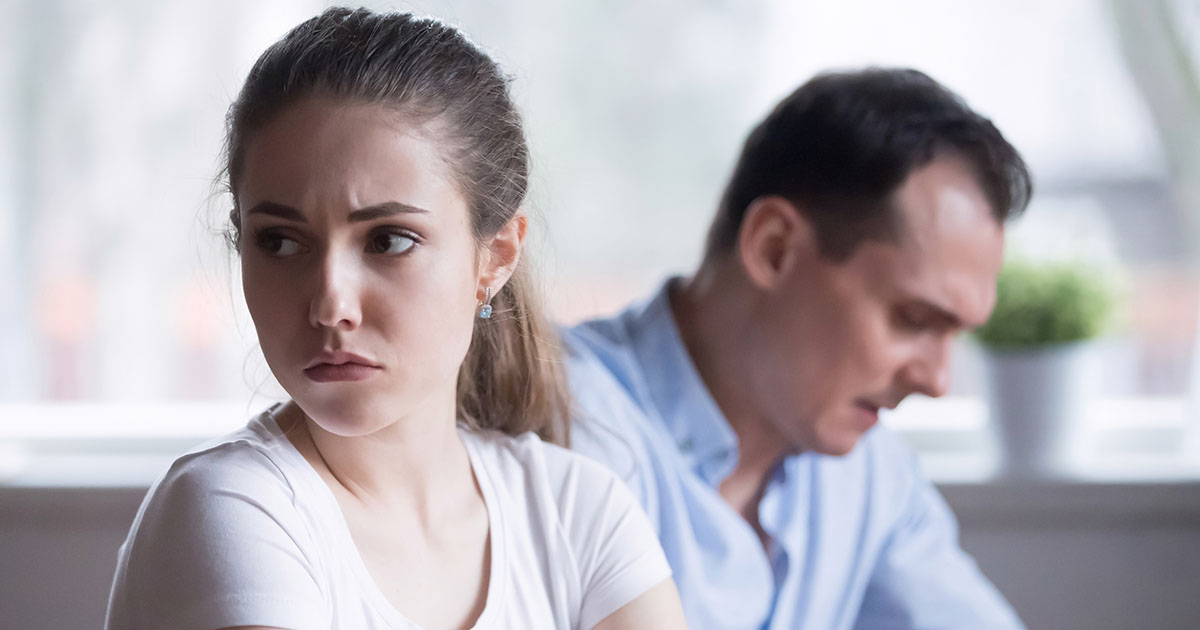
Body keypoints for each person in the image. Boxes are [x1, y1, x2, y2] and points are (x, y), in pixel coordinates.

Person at [105, 8, 685, 630]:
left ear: (495, 257)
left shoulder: (580, 515)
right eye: (280, 242)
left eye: (388, 241)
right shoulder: (234, 509)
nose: (331, 305)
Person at [563, 68, 1033, 629]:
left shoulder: (870, 476)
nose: (937, 382)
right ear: (774, 248)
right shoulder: (562, 421)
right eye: (911, 319)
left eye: (956, 334)